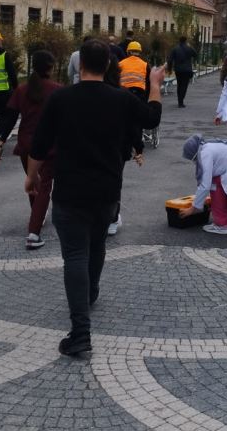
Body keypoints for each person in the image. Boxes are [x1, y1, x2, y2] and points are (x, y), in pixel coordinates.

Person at [25, 39, 163, 356]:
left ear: (81, 64)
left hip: (70, 191)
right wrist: (154, 84)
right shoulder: (122, 100)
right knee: (97, 244)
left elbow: (39, 145)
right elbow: (152, 118)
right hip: (107, 192)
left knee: (74, 255)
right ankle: (91, 291)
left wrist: (30, 178)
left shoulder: (61, 98)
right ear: (109, 66)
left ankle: (80, 332)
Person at [0, 50, 62, 250]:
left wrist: (0, 143)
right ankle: (33, 232)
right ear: (50, 68)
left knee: (34, 184)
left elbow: (10, 118)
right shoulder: (57, 90)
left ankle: (36, 217)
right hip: (49, 146)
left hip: (25, 145)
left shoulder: (22, 90)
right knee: (44, 187)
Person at [167, 36, 197, 108]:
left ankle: (179, 101)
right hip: (187, 70)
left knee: (179, 85)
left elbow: (170, 60)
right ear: (186, 41)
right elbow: (195, 54)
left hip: (178, 70)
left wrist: (170, 70)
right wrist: (190, 46)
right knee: (184, 85)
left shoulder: (175, 49)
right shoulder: (189, 48)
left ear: (179, 41)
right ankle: (181, 101)